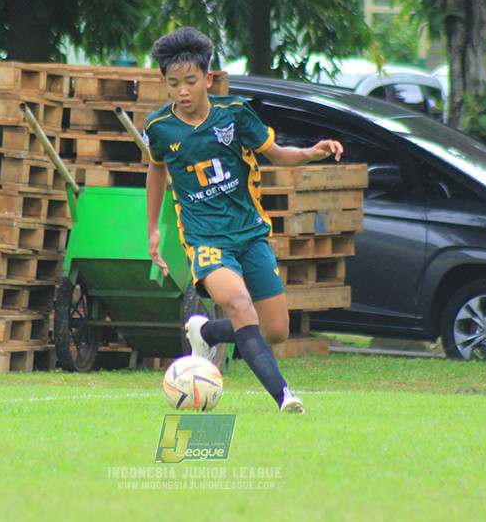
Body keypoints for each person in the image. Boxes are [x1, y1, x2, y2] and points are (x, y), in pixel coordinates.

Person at [144, 27, 343, 413]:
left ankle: (206, 331)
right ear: (165, 85)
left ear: (208, 79)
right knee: (238, 303)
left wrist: (311, 153)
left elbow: (278, 154)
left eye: (190, 81)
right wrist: (152, 228)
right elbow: (155, 170)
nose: (182, 91)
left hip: (250, 235)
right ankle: (284, 395)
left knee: (276, 331)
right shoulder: (159, 127)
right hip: (205, 239)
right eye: (173, 84)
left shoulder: (234, 115)